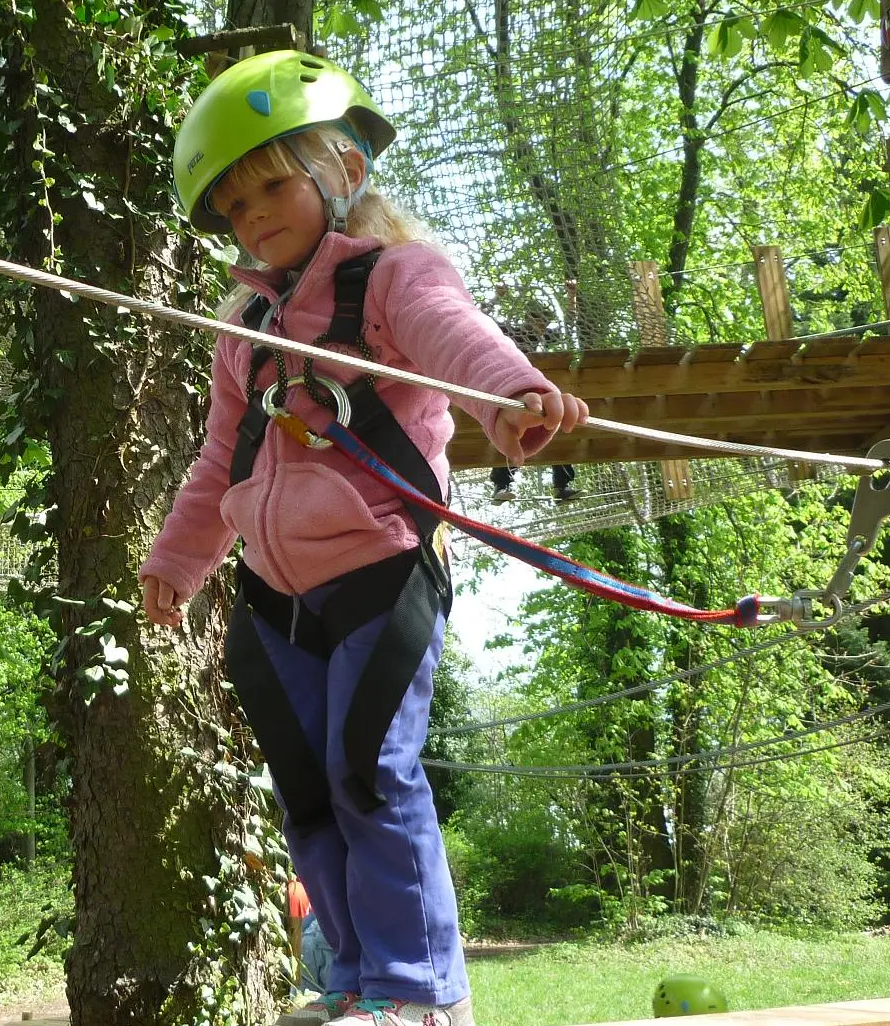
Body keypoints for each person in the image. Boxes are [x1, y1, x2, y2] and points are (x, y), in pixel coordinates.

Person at [140, 51, 587, 1026]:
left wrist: (510, 393)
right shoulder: (245, 331)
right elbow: (223, 461)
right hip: (275, 599)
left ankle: (423, 996)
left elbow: (450, 333)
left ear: (340, 168)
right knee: (308, 792)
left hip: (383, 574)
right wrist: (178, 562)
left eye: (272, 184)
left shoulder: (390, 277)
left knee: (372, 772)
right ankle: (355, 981)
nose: (253, 214)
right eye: (232, 204)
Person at [491, 305, 579, 504]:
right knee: (513, 431)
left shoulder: (546, 336)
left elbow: (569, 325)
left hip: (538, 388)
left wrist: (571, 298)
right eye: (536, 320)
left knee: (556, 426)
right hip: (514, 386)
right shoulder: (514, 331)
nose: (539, 325)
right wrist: (498, 299)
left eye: (543, 322)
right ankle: (502, 485)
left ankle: (561, 487)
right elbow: (484, 320)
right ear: (528, 318)